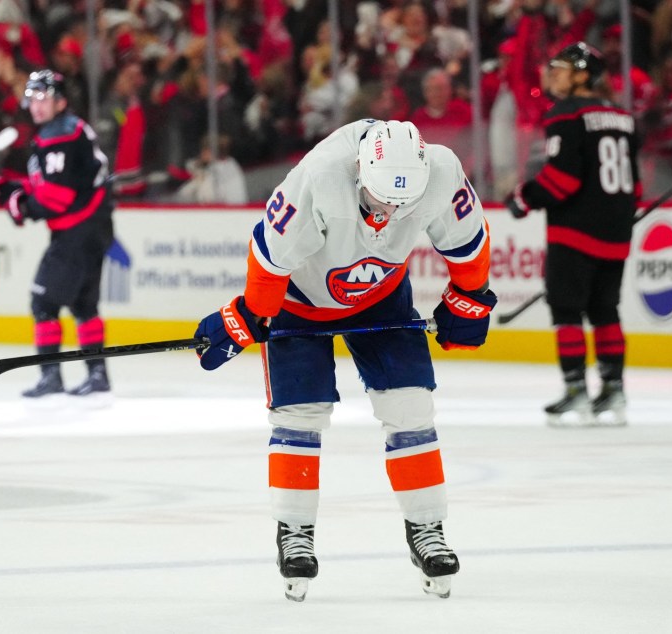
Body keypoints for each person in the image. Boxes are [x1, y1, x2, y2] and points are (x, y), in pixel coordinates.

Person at [193, 119, 495, 601]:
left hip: (382, 294)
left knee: (411, 406)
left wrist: (470, 296)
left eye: (401, 204)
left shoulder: (440, 172)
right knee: (300, 414)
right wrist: (247, 315)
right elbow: (269, 260)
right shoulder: (319, 176)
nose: (387, 213)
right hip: (298, 300)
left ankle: (427, 528)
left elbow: (468, 242)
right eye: (378, 201)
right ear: (360, 169)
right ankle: (294, 532)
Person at [506, 42, 640, 427]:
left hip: (574, 231)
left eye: (561, 68)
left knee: (567, 311)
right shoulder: (623, 116)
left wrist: (523, 198)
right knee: (605, 311)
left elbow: (561, 180)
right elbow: (638, 186)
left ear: (583, 74)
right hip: (615, 233)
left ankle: (576, 392)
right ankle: (614, 391)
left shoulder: (566, 113)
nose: (553, 74)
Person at [0, 70, 114, 402]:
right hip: (94, 228)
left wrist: (20, 206)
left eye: (43, 98)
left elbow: (54, 198)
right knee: (83, 305)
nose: (36, 105)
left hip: (77, 232)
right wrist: (10, 188)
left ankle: (51, 376)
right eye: (32, 99)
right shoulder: (68, 128)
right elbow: (52, 183)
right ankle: (98, 374)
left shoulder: (58, 135)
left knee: (44, 302)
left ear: (60, 102)